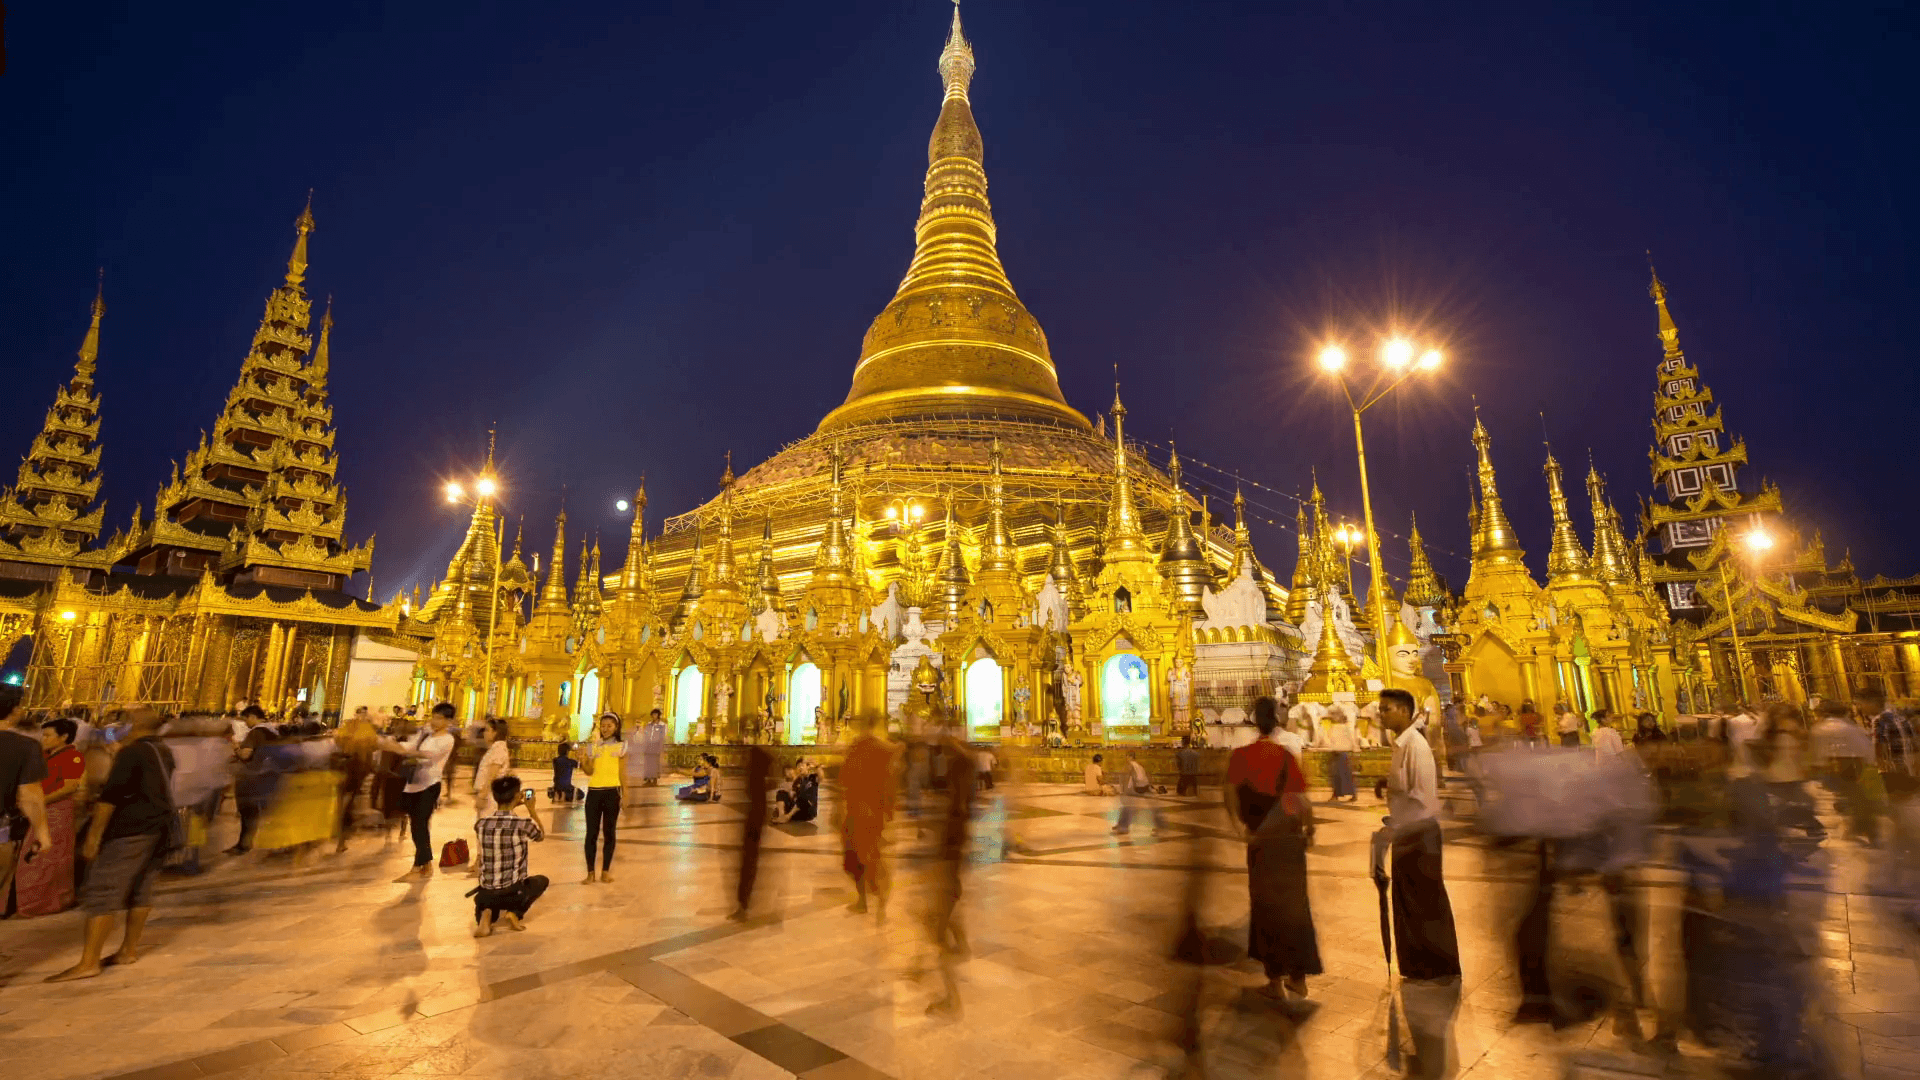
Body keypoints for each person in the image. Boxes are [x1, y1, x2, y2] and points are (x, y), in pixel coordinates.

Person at [46, 708, 173, 982]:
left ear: (134, 725)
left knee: (103, 890)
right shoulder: (162, 751)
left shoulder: (132, 753)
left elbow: (110, 797)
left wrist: (93, 837)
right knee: (141, 889)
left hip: (130, 829)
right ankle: (128, 950)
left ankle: (89, 961)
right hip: (159, 827)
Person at [1224, 695, 1320, 999]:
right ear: (1276, 721)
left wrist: (1240, 828)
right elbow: (1302, 800)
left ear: (1254, 720)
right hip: (1289, 840)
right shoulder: (1285, 755)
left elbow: (1228, 794)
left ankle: (1274, 978)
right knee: (1295, 905)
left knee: (1265, 905)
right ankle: (1299, 977)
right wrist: (1311, 828)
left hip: (1260, 841)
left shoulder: (1241, 755)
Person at [13, 718, 85, 915]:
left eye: (48, 735)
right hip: (42, 808)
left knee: (48, 856)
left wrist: (42, 800)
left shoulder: (73, 756)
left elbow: (70, 786)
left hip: (57, 809)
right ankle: (35, 902)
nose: (43, 739)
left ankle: (47, 903)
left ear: (64, 737)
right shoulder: (45, 756)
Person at [471, 774, 548, 937]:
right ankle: (514, 913)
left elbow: (499, 823)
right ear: (517, 796)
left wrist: (511, 804)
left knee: (484, 901)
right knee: (541, 881)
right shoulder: (522, 825)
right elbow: (540, 835)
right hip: (513, 893)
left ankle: (485, 916)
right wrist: (531, 809)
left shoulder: (481, 824)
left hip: (485, 894)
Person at [393, 704, 456, 884]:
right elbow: (410, 745)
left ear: (448, 721)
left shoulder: (447, 739)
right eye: (433, 716)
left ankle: (417, 867)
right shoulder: (425, 734)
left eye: (439, 718)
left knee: (419, 825)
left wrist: (407, 750)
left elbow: (428, 755)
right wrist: (395, 744)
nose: (434, 721)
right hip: (413, 784)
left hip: (429, 785)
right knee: (417, 826)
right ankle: (426, 864)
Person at [839, 714, 893, 914]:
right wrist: (888, 810)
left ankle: (865, 898)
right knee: (870, 854)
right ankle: (877, 893)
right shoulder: (881, 748)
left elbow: (845, 776)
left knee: (855, 856)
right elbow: (890, 779)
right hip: (873, 811)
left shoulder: (857, 746)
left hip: (857, 810)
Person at [1810, 698, 1879, 845]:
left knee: (1848, 798)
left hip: (1832, 768)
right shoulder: (1851, 727)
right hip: (1853, 766)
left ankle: (1859, 827)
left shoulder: (1819, 729)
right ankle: (1862, 828)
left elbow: (1816, 752)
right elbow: (1866, 748)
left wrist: (1817, 766)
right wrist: (1869, 763)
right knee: (1854, 797)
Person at [577, 713, 626, 882]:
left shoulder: (622, 746)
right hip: (594, 792)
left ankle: (605, 871)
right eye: (603, 726)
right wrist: (583, 761)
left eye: (609, 726)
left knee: (609, 832)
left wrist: (625, 794)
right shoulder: (594, 746)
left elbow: (623, 772)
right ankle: (590, 872)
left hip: (612, 791)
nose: (605, 729)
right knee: (591, 832)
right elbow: (590, 771)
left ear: (616, 727)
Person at [1862, 689, 1916, 797]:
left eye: (1861, 704)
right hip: (1909, 768)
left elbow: (1878, 749)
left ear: (1872, 703)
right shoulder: (1900, 716)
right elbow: (1914, 743)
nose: (1861, 708)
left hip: (1894, 772)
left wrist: (1879, 769)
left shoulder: (1879, 720)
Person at [1113, 751, 1160, 836]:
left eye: (1126, 756)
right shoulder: (1139, 765)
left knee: (1127, 806)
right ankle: (1159, 827)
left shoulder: (1130, 764)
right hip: (1144, 786)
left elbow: (1128, 777)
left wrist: (1124, 789)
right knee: (1153, 808)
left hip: (1136, 787)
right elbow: (1145, 776)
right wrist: (1149, 787)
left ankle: (1123, 827)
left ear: (1130, 757)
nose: (1126, 758)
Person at [1319, 705, 1358, 802]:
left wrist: (1353, 748)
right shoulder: (1334, 727)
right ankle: (1337, 794)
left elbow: (1350, 740)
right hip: (1336, 754)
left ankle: (1348, 794)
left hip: (1342, 754)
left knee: (1343, 775)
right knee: (1337, 775)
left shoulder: (1343, 727)